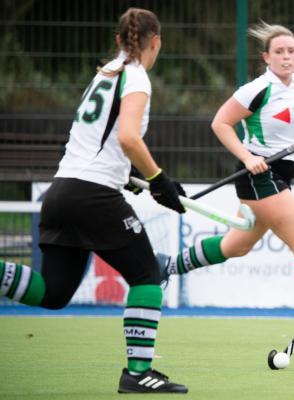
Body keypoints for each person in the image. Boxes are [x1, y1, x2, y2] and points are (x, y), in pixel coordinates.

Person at [0, 8, 188, 393]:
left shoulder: (105, 74)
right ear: (156, 42)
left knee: (52, 292)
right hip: (92, 194)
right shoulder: (136, 77)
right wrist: (158, 179)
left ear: (118, 40)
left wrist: (131, 178)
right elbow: (128, 139)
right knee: (147, 275)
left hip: (63, 190)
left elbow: (100, 143)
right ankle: (137, 373)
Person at [161, 22, 294, 340]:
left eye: (291, 52)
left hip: (282, 174)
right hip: (259, 175)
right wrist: (246, 157)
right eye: (279, 52)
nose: (286, 57)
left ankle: (165, 266)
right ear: (266, 57)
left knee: (236, 246)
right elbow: (221, 123)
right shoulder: (256, 89)